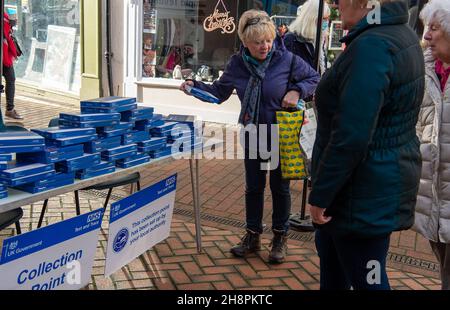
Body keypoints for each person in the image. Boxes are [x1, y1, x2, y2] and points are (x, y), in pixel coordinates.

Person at [180, 9, 320, 264]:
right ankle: (252, 235)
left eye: (267, 40)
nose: (264, 46)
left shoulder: (286, 60)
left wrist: (297, 91)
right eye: (257, 42)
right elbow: (219, 92)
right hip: (253, 131)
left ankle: (279, 238)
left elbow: (314, 78)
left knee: (280, 187)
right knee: (253, 187)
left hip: (280, 132)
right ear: (245, 42)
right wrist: (194, 88)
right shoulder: (237, 63)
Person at [307, 0, 425, 290]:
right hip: (369, 189)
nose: (335, 3)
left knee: (368, 280)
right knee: (345, 274)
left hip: (357, 197)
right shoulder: (399, 34)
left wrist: (321, 194)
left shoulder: (372, 46)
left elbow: (352, 133)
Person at [413, 0, 450, 290]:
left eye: (435, 29)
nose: (426, 36)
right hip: (434, 201)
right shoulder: (425, 71)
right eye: (427, 27)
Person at [284, 0, 330, 72]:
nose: (327, 22)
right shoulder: (291, 39)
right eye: (324, 19)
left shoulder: (320, 39)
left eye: (328, 18)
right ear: (312, 19)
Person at [2, 12, 22, 120]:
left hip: (5, 57)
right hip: (3, 57)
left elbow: (8, 39)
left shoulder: (5, 17)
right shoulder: (5, 20)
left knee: (11, 79)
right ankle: (9, 109)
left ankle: (10, 109)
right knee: (10, 79)